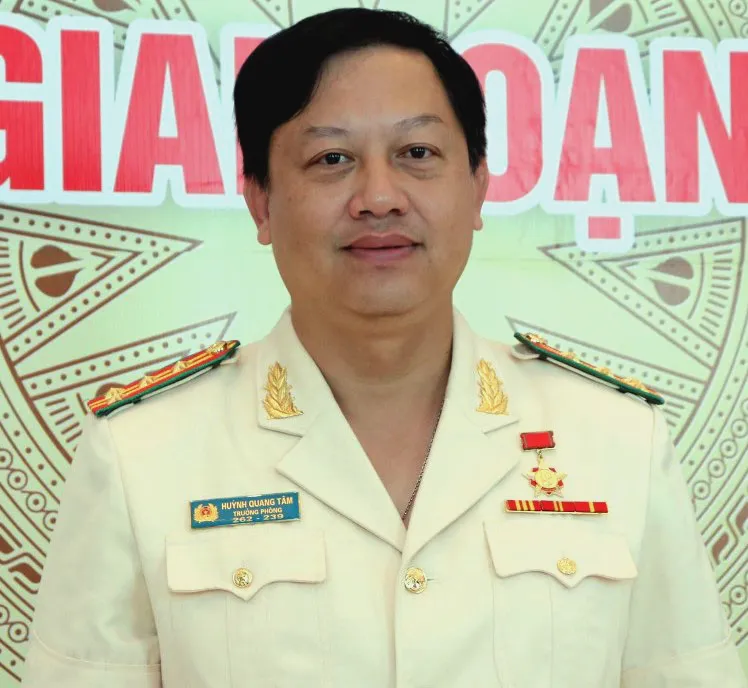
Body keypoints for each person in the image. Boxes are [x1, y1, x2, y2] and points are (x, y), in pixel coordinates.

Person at [21, 8, 746, 688]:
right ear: (261, 201)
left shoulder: (617, 439)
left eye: (417, 153)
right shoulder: (142, 454)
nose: (379, 196)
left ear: (478, 187)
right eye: (331, 158)